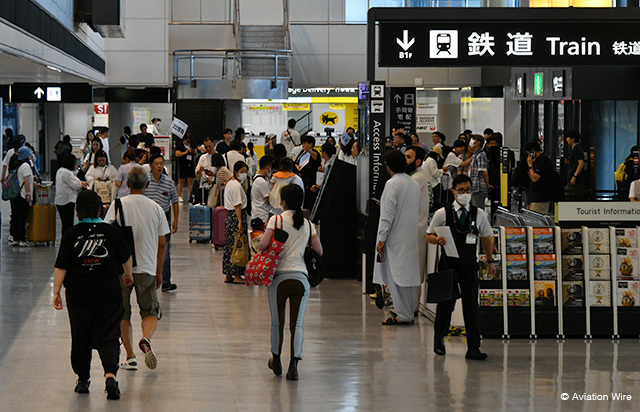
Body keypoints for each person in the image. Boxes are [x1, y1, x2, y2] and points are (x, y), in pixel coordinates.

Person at [52, 191, 134, 400]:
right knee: (109, 334)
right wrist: (128, 275)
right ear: (99, 208)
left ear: (78, 210)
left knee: (81, 336)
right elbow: (126, 257)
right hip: (108, 292)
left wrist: (56, 292)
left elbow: (61, 265)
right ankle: (110, 375)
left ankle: (83, 379)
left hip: (79, 294)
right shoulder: (111, 231)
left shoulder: (71, 234)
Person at [104, 166, 169, 371]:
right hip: (147, 266)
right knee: (149, 311)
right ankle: (146, 338)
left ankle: (130, 357)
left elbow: (107, 236)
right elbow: (161, 244)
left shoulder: (117, 206)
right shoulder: (156, 208)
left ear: (127, 183)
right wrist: (159, 272)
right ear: (148, 185)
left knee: (122, 312)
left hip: (121, 268)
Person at [427, 174, 495, 361]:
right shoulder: (442, 213)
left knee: (471, 306)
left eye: (468, 190)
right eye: (461, 190)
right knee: (445, 304)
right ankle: (439, 340)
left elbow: (486, 237)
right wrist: (436, 240)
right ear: (453, 191)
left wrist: (490, 261)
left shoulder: (478, 214)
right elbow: (428, 235)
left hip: (468, 265)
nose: (465, 194)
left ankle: (473, 347)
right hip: (448, 265)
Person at [258, 184, 322, 380]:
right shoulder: (308, 224)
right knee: (298, 324)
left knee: (277, 323)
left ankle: (276, 360)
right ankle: (293, 366)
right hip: (301, 279)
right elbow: (319, 251)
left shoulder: (275, 220)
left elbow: (262, 245)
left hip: (278, 278)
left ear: (283, 201)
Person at [374, 150, 421, 325]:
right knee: (407, 276)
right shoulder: (413, 183)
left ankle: (403, 315)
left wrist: (381, 238)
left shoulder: (392, 184)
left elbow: (387, 214)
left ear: (388, 166)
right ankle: (406, 310)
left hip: (394, 236)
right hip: (410, 234)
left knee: (396, 277)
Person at [145, 154, 180, 292]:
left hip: (164, 218)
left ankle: (165, 281)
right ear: (150, 166)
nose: (159, 166)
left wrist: (176, 220)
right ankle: (149, 279)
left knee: (164, 250)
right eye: (156, 164)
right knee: (148, 249)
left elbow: (175, 201)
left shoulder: (168, 182)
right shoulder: (145, 181)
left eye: (161, 163)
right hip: (148, 219)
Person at [405, 147, 432, 311]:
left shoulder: (416, 178)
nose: (405, 160)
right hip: (413, 229)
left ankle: (412, 307)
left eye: (408, 157)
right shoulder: (414, 176)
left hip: (415, 230)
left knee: (413, 270)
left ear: (417, 161)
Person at [223, 161, 250, 284]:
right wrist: (240, 222)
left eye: (245, 172)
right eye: (242, 172)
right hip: (236, 217)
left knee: (229, 246)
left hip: (228, 216)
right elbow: (237, 205)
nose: (243, 174)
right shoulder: (237, 186)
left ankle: (228, 274)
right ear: (235, 172)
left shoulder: (229, 183)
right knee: (238, 245)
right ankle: (238, 275)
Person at [55, 154, 89, 236]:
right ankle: (68, 241)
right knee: (69, 224)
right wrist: (82, 184)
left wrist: (80, 182)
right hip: (68, 201)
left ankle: (65, 240)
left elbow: (73, 180)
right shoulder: (67, 173)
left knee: (64, 224)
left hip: (60, 201)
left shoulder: (60, 170)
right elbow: (75, 184)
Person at [9, 147, 35, 247]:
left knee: (16, 217)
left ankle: (16, 238)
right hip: (23, 195)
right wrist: (28, 194)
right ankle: (22, 239)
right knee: (22, 218)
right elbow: (26, 181)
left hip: (16, 195)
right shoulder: (25, 166)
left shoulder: (19, 165)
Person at [524, 140, 553, 214]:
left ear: (532, 151)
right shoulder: (537, 161)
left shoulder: (543, 161)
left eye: (529, 154)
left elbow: (534, 178)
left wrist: (530, 165)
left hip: (541, 197)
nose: (528, 157)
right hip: (535, 196)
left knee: (537, 221)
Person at [295, 135, 321, 209]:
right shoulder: (302, 152)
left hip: (310, 180)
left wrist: (309, 150)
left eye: (305, 143)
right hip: (302, 179)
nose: (303, 145)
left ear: (311, 144)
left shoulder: (314, 153)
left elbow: (316, 157)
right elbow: (296, 161)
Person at [251, 155, 274, 230]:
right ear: (268, 167)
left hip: (259, 215)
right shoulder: (261, 181)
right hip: (262, 217)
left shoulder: (259, 179)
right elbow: (269, 200)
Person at [468, 135, 491, 209]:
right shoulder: (475, 154)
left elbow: (484, 172)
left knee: (477, 210)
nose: (471, 141)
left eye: (473, 139)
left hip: (479, 187)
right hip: (474, 187)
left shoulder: (481, 155)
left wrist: (487, 184)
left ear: (478, 143)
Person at [175, 133, 196, 202]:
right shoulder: (180, 146)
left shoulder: (192, 146)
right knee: (181, 181)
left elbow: (195, 155)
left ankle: (191, 196)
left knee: (190, 181)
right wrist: (185, 152)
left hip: (191, 164)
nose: (188, 142)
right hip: (183, 164)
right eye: (187, 141)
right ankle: (179, 195)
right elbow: (177, 154)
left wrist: (194, 152)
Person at [564, 130, 585, 199]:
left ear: (573, 139)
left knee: (573, 196)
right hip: (572, 177)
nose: (566, 139)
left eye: (568, 137)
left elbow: (581, 163)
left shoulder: (576, 148)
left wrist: (574, 176)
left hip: (576, 179)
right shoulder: (573, 149)